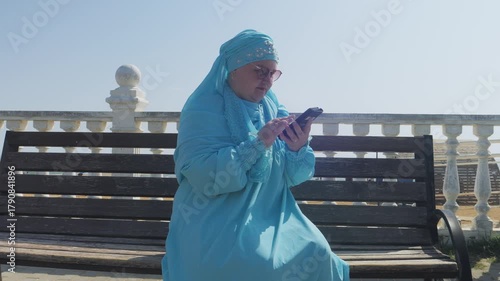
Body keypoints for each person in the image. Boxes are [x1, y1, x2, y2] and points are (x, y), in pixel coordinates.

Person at [161, 29, 349, 281]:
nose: (267, 80)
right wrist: (258, 143)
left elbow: (293, 177)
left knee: (319, 252)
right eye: (259, 70)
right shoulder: (202, 109)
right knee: (260, 266)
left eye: (272, 73)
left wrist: (296, 148)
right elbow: (204, 176)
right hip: (213, 220)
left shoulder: (273, 107)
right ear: (234, 68)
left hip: (273, 216)